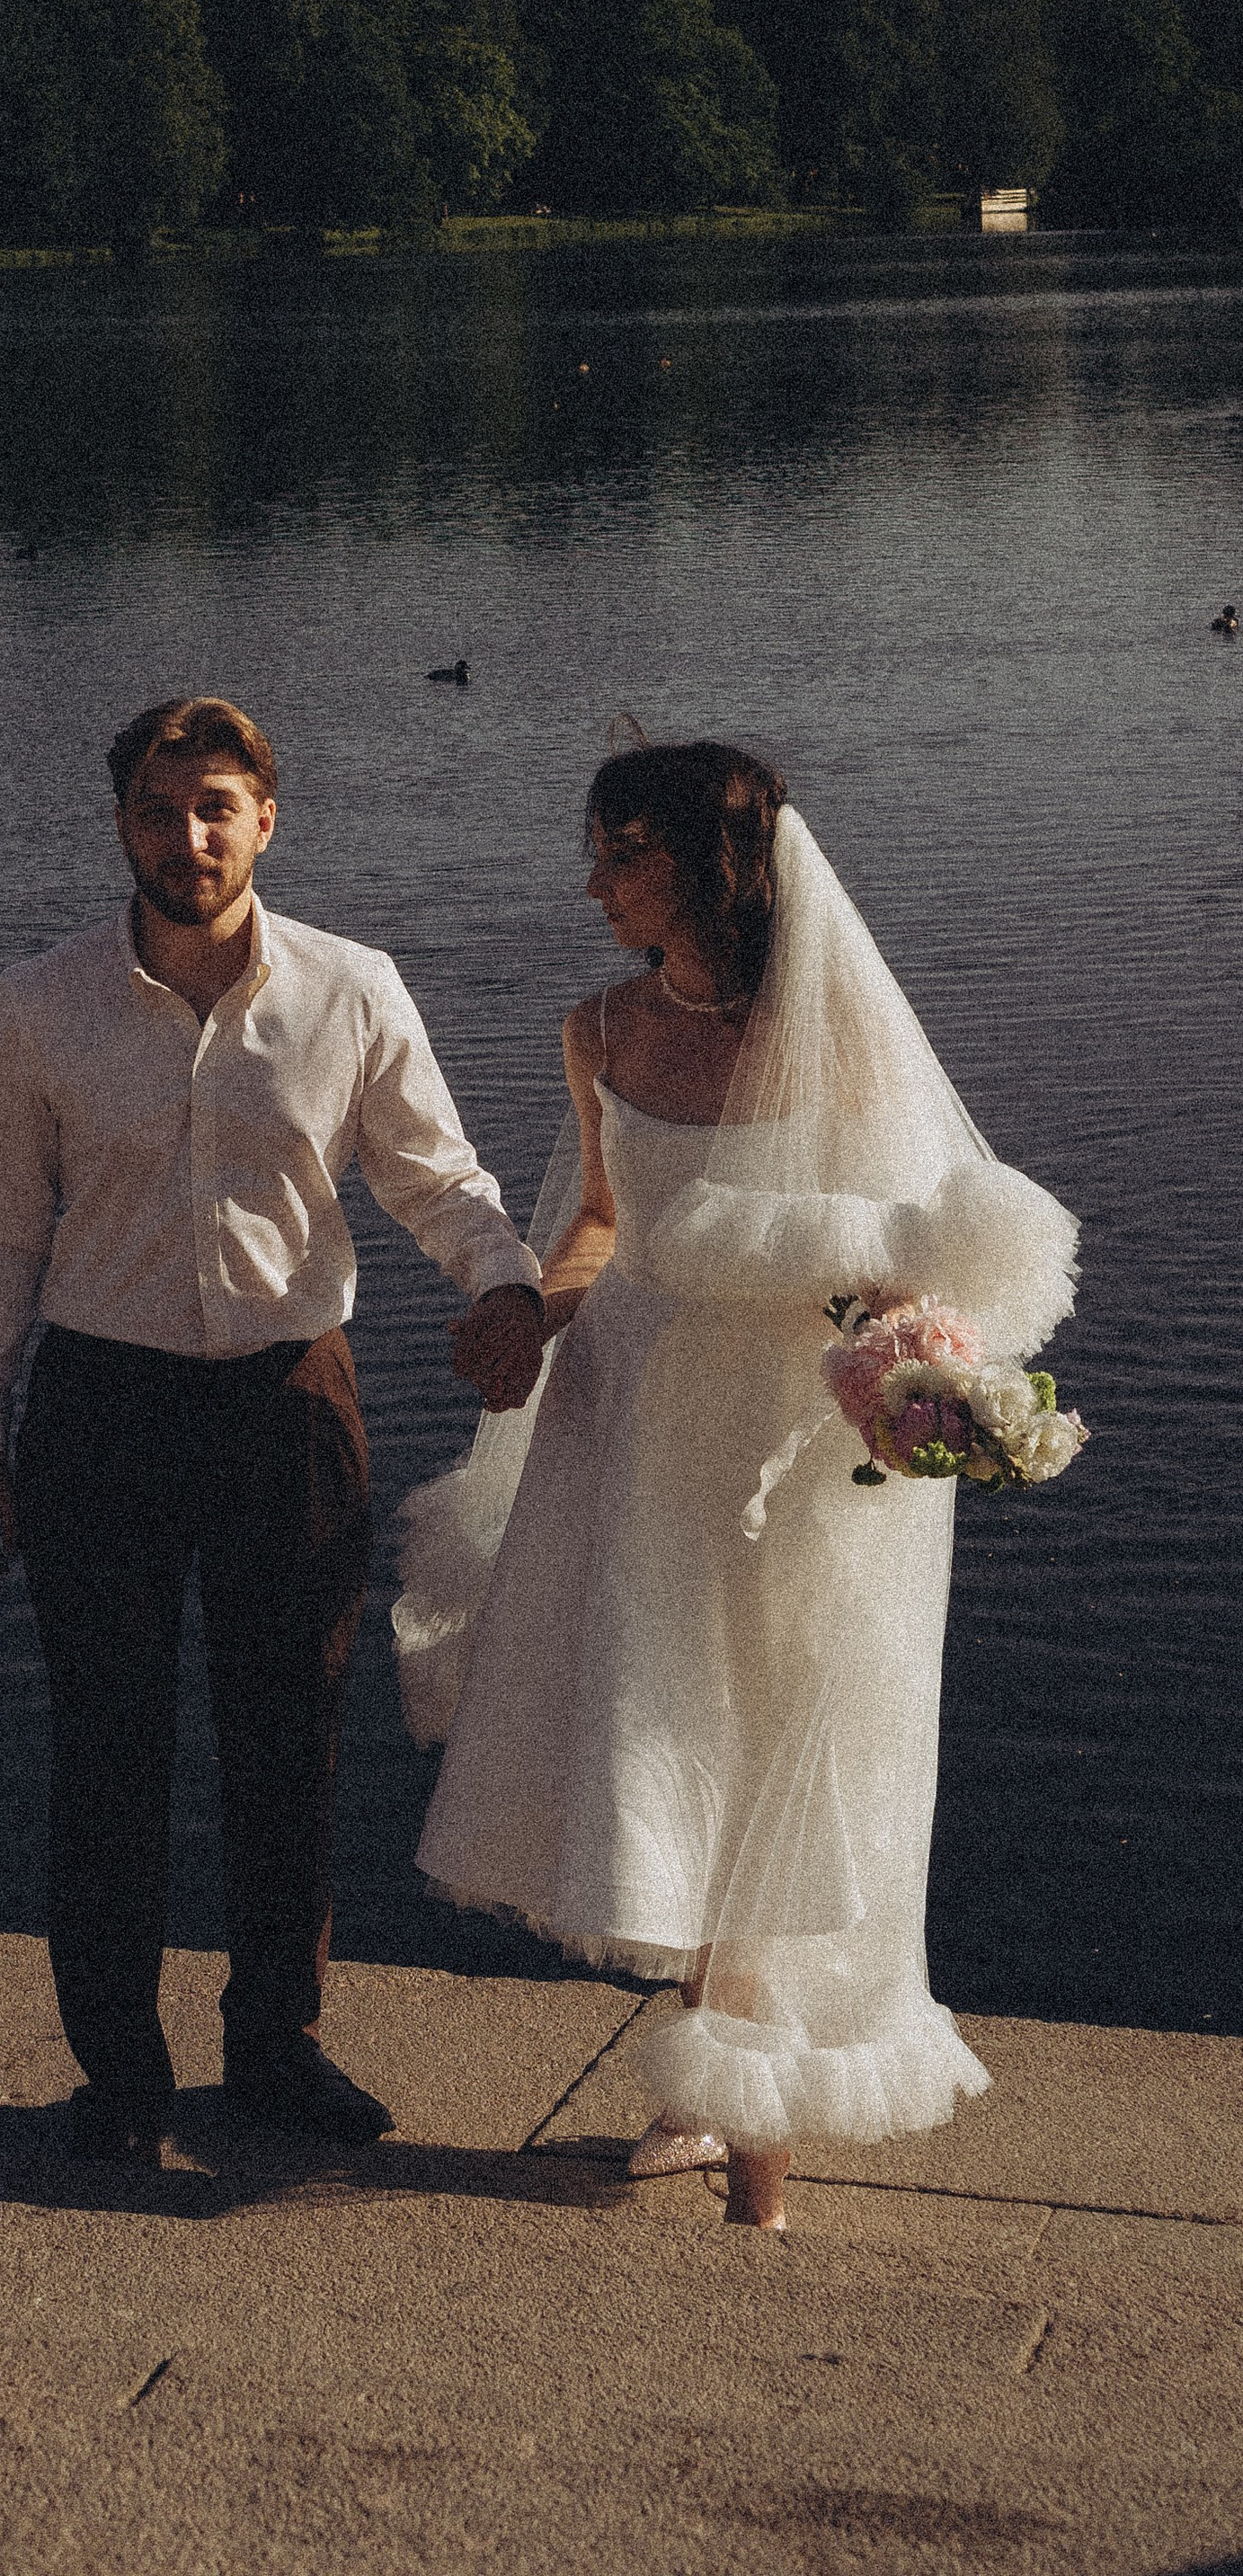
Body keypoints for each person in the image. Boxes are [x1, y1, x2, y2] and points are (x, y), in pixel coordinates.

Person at [400, 741, 1079, 2231]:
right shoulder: (593, 1027)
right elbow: (596, 1222)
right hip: (632, 1415)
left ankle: (745, 2130)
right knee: (664, 1719)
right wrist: (531, 1311)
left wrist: (923, 1388)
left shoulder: (838, 1042)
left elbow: (901, 1266)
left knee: (772, 1729)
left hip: (781, 1436)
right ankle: (710, 2101)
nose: (592, 880)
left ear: (714, 868)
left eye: (621, 852)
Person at [0, 695, 546, 2167]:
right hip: (100, 1410)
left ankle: (276, 2049)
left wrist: (513, 1285)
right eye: (161, 808)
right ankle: (120, 2079)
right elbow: (1, 1227)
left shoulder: (352, 990)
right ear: (121, 826)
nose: (189, 836)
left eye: (217, 806)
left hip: (290, 1407)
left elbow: (437, 1176)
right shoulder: (43, 1004)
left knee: (291, 1752)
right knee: (109, 1757)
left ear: (267, 820)